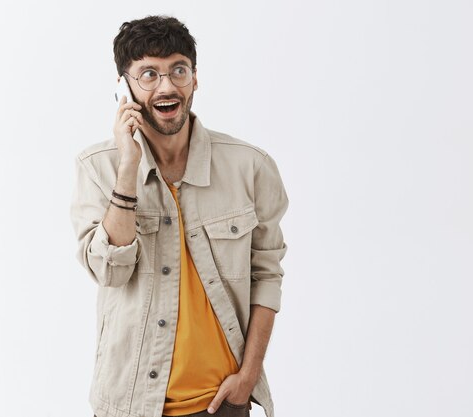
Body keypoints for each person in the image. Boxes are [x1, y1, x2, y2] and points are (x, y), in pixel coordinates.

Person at [70, 15, 288, 417]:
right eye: (148, 74)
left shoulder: (250, 166)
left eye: (178, 71)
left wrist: (249, 376)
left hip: (222, 402)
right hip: (130, 404)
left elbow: (267, 275)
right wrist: (128, 169)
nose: (167, 86)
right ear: (124, 87)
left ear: (195, 78)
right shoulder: (98, 168)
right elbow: (109, 271)